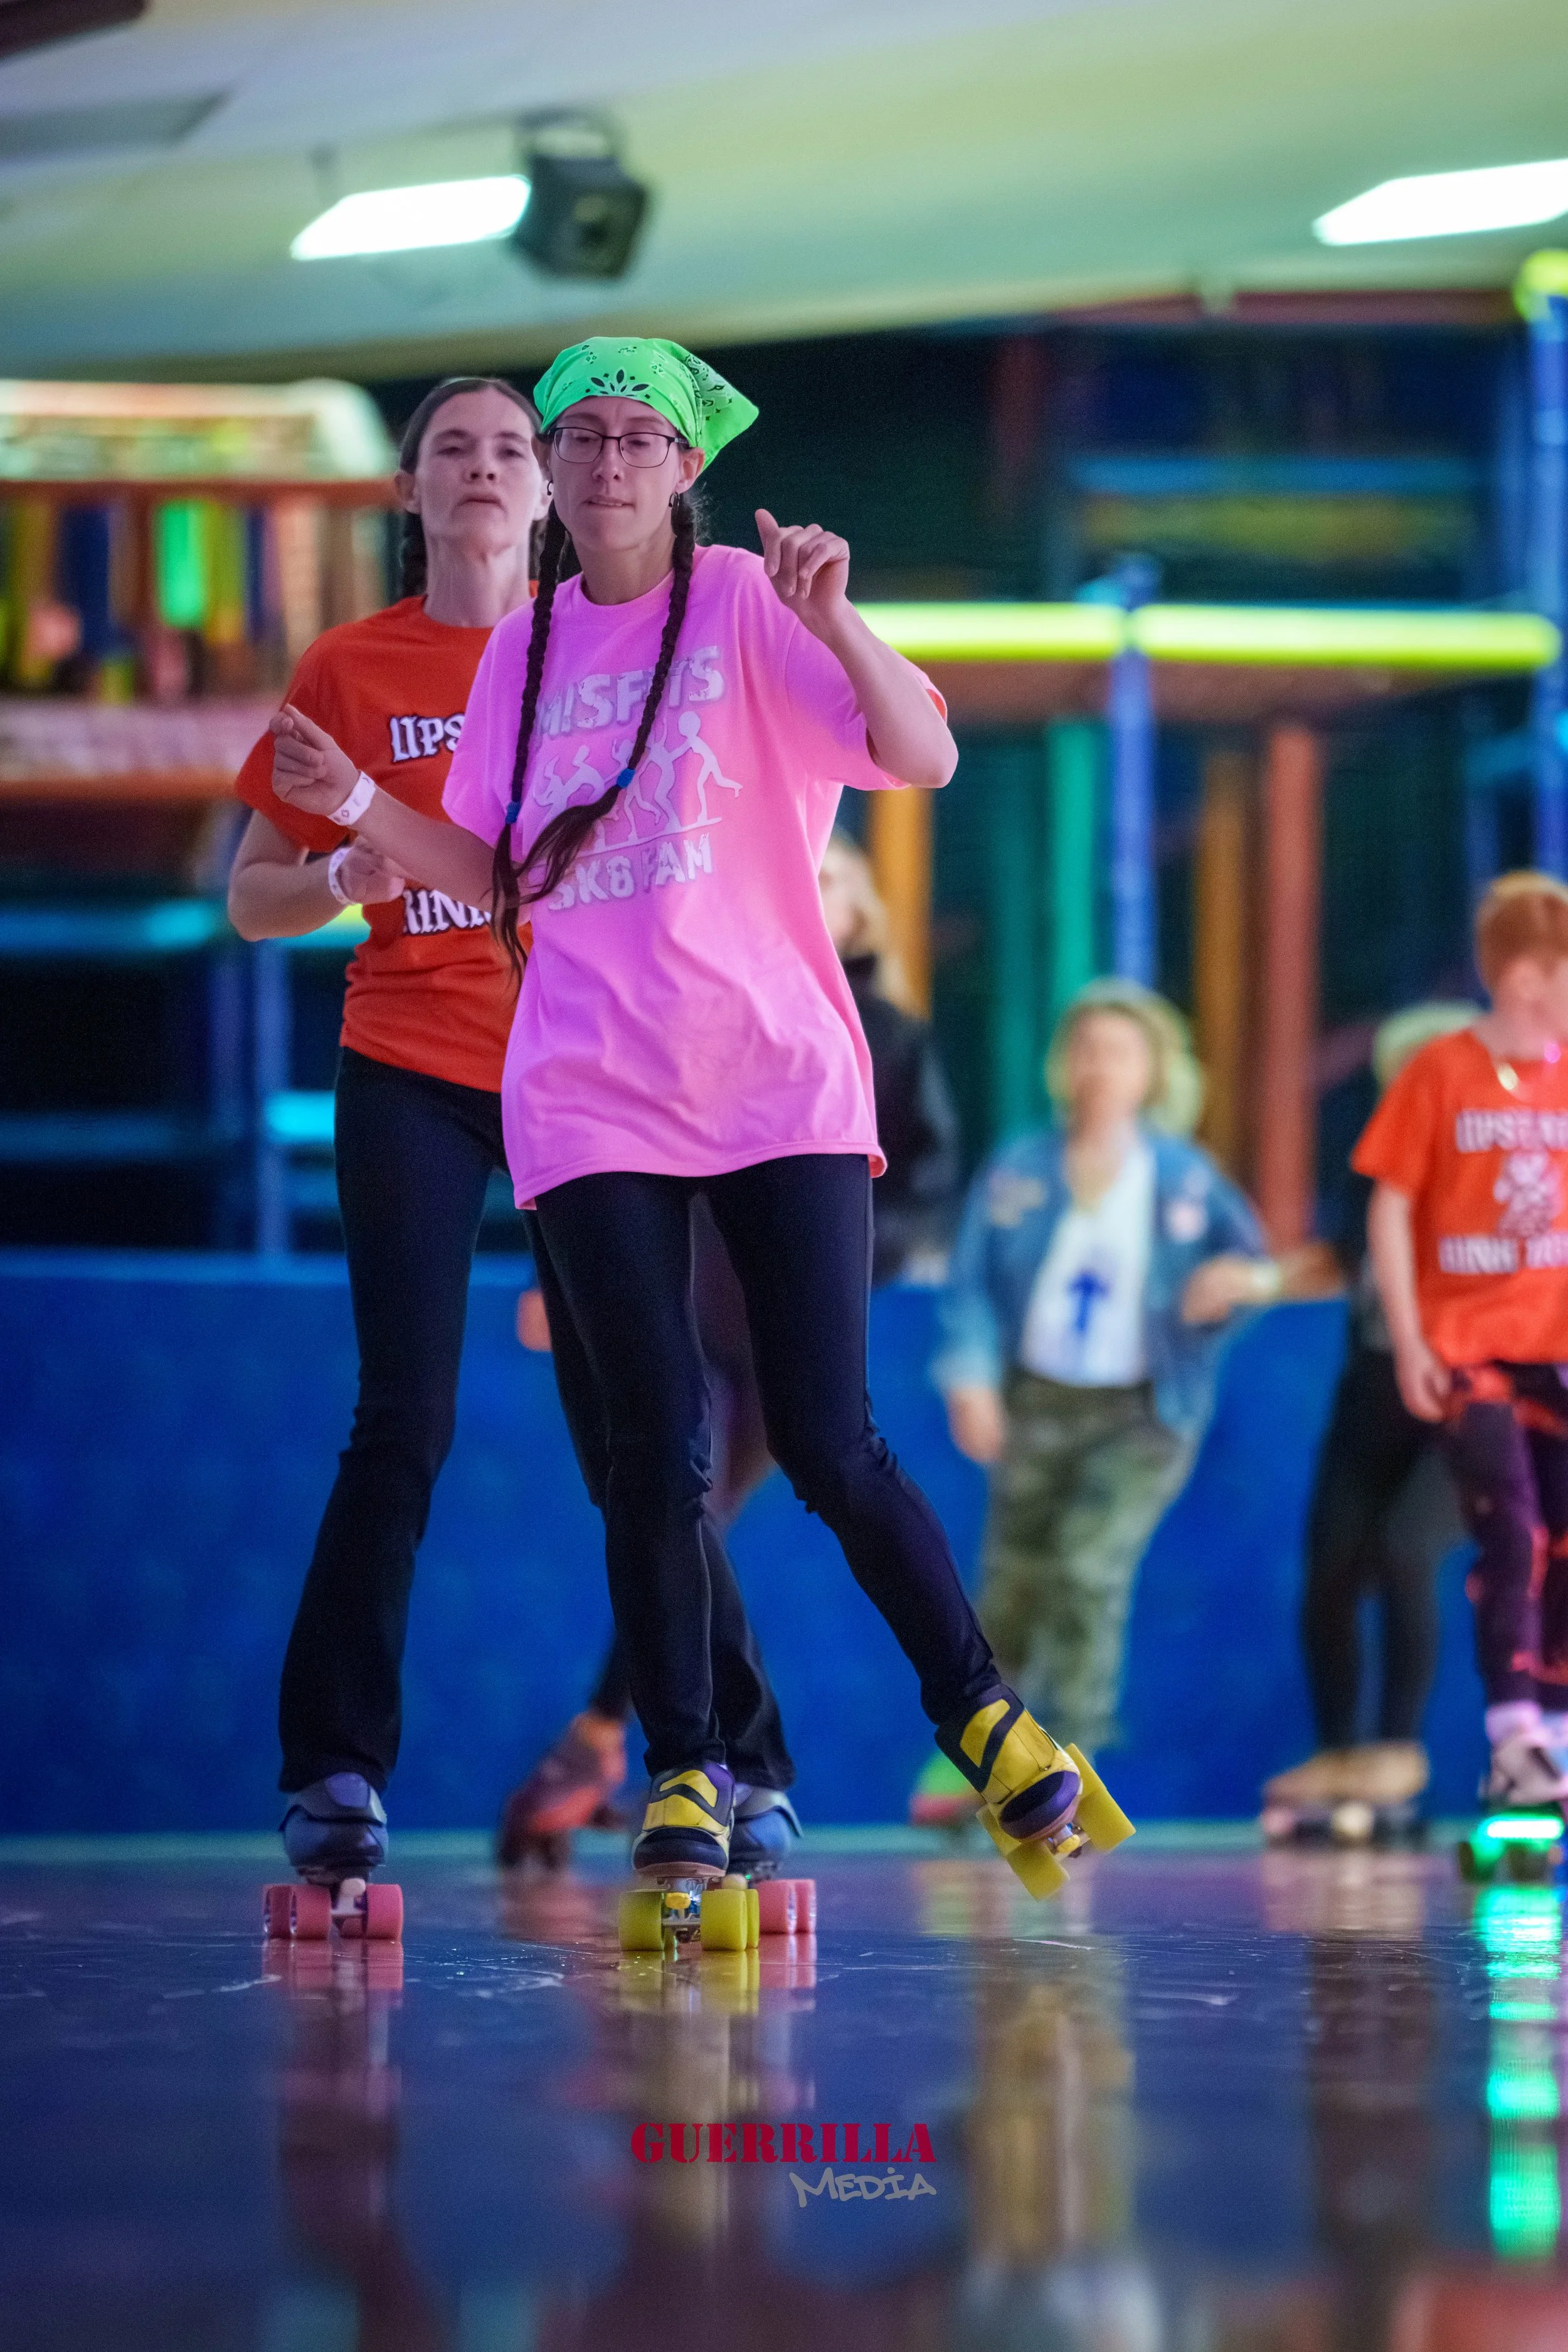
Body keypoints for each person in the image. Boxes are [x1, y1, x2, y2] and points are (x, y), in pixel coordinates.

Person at [268, 332, 1104, 1893]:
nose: (599, 462)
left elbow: (919, 755)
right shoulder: (518, 650)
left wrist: (835, 622)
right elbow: (492, 876)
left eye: (633, 438)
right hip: (587, 1093)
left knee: (830, 1440)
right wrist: (359, 814)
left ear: (686, 465)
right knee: (650, 1452)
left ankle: (985, 1716)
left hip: (773, 1072)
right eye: (575, 436)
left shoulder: (739, 605)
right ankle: (685, 1773)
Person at [229, 374, 792, 1888]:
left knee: (642, 1437)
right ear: (410, 496)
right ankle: (336, 1769)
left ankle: (734, 1759)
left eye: (503, 449)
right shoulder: (348, 667)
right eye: (450, 452)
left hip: (587, 1077)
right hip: (407, 1064)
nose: (481, 470)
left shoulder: (611, 641)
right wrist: (342, 874)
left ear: (548, 490)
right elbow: (251, 894)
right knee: (400, 1421)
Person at [496, 829, 961, 1865]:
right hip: (691, 1303)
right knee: (662, 1490)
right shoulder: (692, 994)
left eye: (835, 880)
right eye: (802, 866)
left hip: (783, 1326)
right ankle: (683, 1752)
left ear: (856, 916)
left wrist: (851, 1252)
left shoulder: (884, 1032)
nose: (815, 887)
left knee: (720, 1496)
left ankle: (629, 1738)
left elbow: (932, 1181)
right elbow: (619, 1155)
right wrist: (563, 1273)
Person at [916, 980, 1276, 1825]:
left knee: (1087, 1568)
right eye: (1085, 1049)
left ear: (1153, 1069)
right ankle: (985, 1756)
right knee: (1008, 1584)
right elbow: (968, 1284)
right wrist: (970, 1378)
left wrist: (1237, 1284)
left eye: (1119, 1051)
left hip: (1142, 1412)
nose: (1099, 1068)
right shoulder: (1020, 1168)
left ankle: (1071, 1756)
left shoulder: (1185, 1177)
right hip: (1039, 1401)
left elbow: (1257, 1269)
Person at [1356, 873, 1568, 1809]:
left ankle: (1553, 1733)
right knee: (1509, 1528)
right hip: (1470, 1342)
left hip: (1555, 1343)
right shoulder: (1442, 1070)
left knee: (1560, 1532)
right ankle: (1513, 1736)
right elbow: (1391, 1205)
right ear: (1529, 978)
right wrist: (1410, 1339)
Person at [1262, 1004, 1476, 1829]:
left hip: (1465, 1400)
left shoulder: (1505, 1182)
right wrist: (1252, 1282)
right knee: (1328, 1574)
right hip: (1372, 1392)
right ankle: (1341, 1751)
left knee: (1406, 1548)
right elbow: (1337, 1261)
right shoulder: (1373, 1172)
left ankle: (1396, 1748)